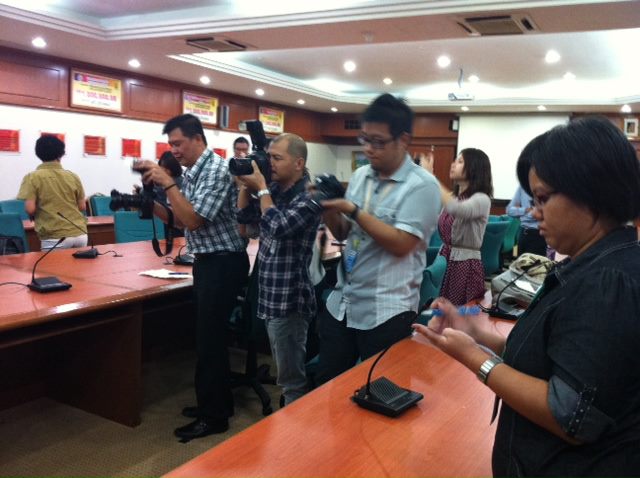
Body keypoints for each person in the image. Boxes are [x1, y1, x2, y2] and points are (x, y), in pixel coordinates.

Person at [413, 116, 640, 476]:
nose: (534, 212)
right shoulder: (592, 264)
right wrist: (478, 334)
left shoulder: (607, 281)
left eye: (543, 198)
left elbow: (570, 414)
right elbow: (554, 356)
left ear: (591, 192)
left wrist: (475, 358)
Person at [135, 114, 249, 440]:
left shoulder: (216, 171)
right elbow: (179, 219)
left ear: (198, 138)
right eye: (170, 145)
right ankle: (214, 404)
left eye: (178, 143)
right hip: (208, 262)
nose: (174, 150)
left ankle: (215, 417)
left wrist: (168, 184)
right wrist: (150, 202)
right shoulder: (192, 173)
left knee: (210, 341)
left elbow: (194, 220)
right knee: (206, 339)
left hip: (223, 263)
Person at [316, 93, 441, 384]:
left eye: (378, 141)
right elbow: (344, 233)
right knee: (328, 388)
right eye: (364, 139)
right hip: (343, 301)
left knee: (384, 392)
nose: (369, 149)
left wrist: (353, 210)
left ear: (403, 140)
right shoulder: (361, 176)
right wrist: (328, 208)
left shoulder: (422, 186)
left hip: (387, 309)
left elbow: (401, 244)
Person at [235, 133, 322, 405]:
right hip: (270, 293)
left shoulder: (310, 196)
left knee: (291, 379)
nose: (269, 163)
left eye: (277, 158)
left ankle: (295, 425)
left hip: (290, 300)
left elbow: (279, 227)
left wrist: (261, 188)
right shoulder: (276, 192)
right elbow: (244, 219)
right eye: (268, 157)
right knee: (284, 371)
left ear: (298, 163)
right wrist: (245, 185)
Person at [422, 148, 493, 305]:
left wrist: (431, 178)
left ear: (474, 168)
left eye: (460, 161)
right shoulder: (455, 197)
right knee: (442, 310)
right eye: (455, 160)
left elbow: (459, 210)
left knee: (462, 312)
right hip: (446, 258)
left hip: (464, 265)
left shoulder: (482, 199)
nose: (453, 164)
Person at [17, 135, 88, 251]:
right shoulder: (73, 176)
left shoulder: (32, 177)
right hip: (80, 233)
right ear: (61, 153)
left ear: (38, 153)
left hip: (55, 235)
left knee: (50, 264)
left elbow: (30, 209)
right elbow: (82, 206)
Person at [507, 185, 546, 256]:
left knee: (535, 262)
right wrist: (525, 210)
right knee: (519, 260)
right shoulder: (522, 187)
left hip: (537, 235)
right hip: (522, 233)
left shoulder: (543, 186)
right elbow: (509, 211)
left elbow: (538, 214)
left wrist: (521, 212)